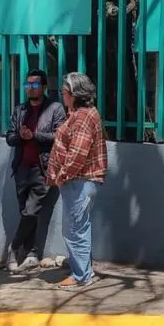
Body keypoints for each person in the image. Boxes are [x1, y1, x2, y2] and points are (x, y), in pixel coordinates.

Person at [46, 72, 108, 288]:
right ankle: (83, 269)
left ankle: (81, 276)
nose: (61, 95)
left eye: (64, 92)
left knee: (73, 228)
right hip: (80, 180)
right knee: (79, 226)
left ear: (74, 94)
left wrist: (62, 175)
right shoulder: (82, 113)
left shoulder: (82, 117)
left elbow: (78, 152)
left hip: (79, 180)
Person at [3, 69, 66, 273]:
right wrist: (21, 136)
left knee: (31, 210)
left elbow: (60, 137)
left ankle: (13, 249)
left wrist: (34, 135)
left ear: (44, 87)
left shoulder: (55, 108)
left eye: (35, 85)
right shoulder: (20, 110)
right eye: (27, 85)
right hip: (22, 168)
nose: (31, 89)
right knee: (26, 212)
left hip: (43, 168)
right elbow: (10, 137)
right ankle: (30, 254)